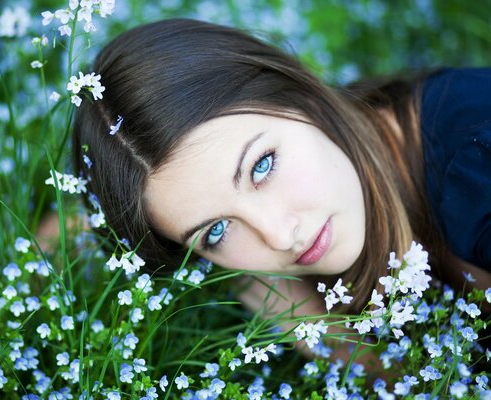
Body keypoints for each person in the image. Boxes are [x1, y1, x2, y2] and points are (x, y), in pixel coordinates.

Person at [70, 18, 491, 357]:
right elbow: (66, 228)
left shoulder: (478, 166)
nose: (277, 235)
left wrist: (336, 346)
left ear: (295, 97)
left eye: (261, 167)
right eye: (216, 231)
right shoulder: (355, 134)